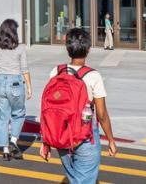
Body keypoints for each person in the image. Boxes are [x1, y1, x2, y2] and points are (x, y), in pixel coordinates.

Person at [40, 27, 117, 184]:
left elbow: (49, 110)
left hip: (61, 135)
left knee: (75, 178)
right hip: (85, 136)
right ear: (88, 49)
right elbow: (101, 114)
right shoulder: (93, 76)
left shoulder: (56, 72)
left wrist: (46, 142)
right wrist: (111, 140)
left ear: (68, 49)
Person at [0, 18, 31, 161]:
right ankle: (13, 140)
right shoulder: (20, 48)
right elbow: (24, 69)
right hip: (15, 83)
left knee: (1, 117)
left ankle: (5, 150)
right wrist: (29, 87)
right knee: (18, 113)